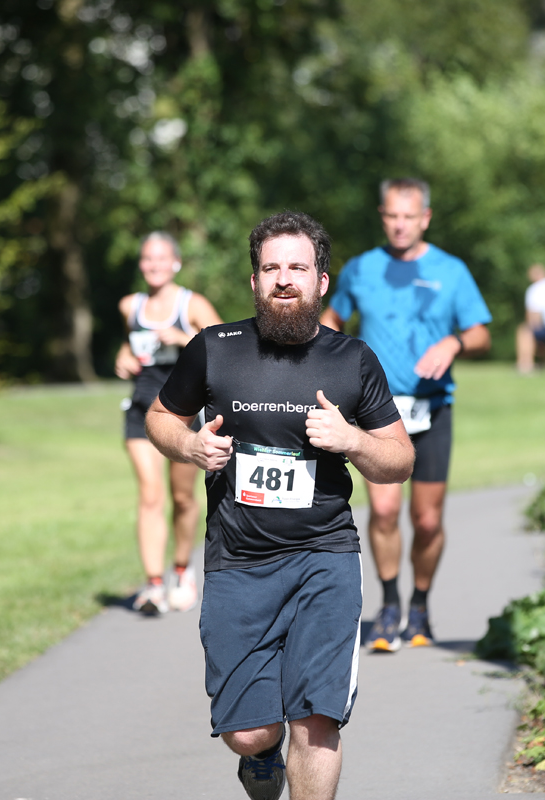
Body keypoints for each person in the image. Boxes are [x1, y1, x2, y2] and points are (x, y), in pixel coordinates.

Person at [146, 211, 414, 800]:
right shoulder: (216, 349)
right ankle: (262, 758)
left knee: (316, 720)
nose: (284, 279)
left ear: (322, 281)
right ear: (254, 282)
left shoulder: (353, 360)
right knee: (249, 732)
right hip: (239, 562)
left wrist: (354, 441)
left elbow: (399, 459)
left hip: (325, 556)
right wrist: (190, 444)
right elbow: (159, 417)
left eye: (298, 267)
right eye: (271, 268)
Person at [321, 177, 492, 653]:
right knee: (382, 511)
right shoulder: (361, 269)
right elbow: (334, 319)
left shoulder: (451, 271)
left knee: (428, 520)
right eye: (391, 216)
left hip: (432, 409)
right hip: (376, 410)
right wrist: (328, 356)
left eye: (408, 216)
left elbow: (481, 333)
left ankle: (420, 604)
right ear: (383, 216)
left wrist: (454, 341)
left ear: (425, 218)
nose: (399, 225)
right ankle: (390, 605)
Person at [113, 232, 221, 614]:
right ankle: (153, 584)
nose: (154, 265)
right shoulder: (131, 305)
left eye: (161, 258)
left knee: (182, 497)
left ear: (175, 262)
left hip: (183, 411)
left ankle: (182, 570)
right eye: (147, 259)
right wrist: (122, 358)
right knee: (150, 494)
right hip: (142, 407)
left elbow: (224, 348)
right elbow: (130, 346)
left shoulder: (191, 303)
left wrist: (184, 337)